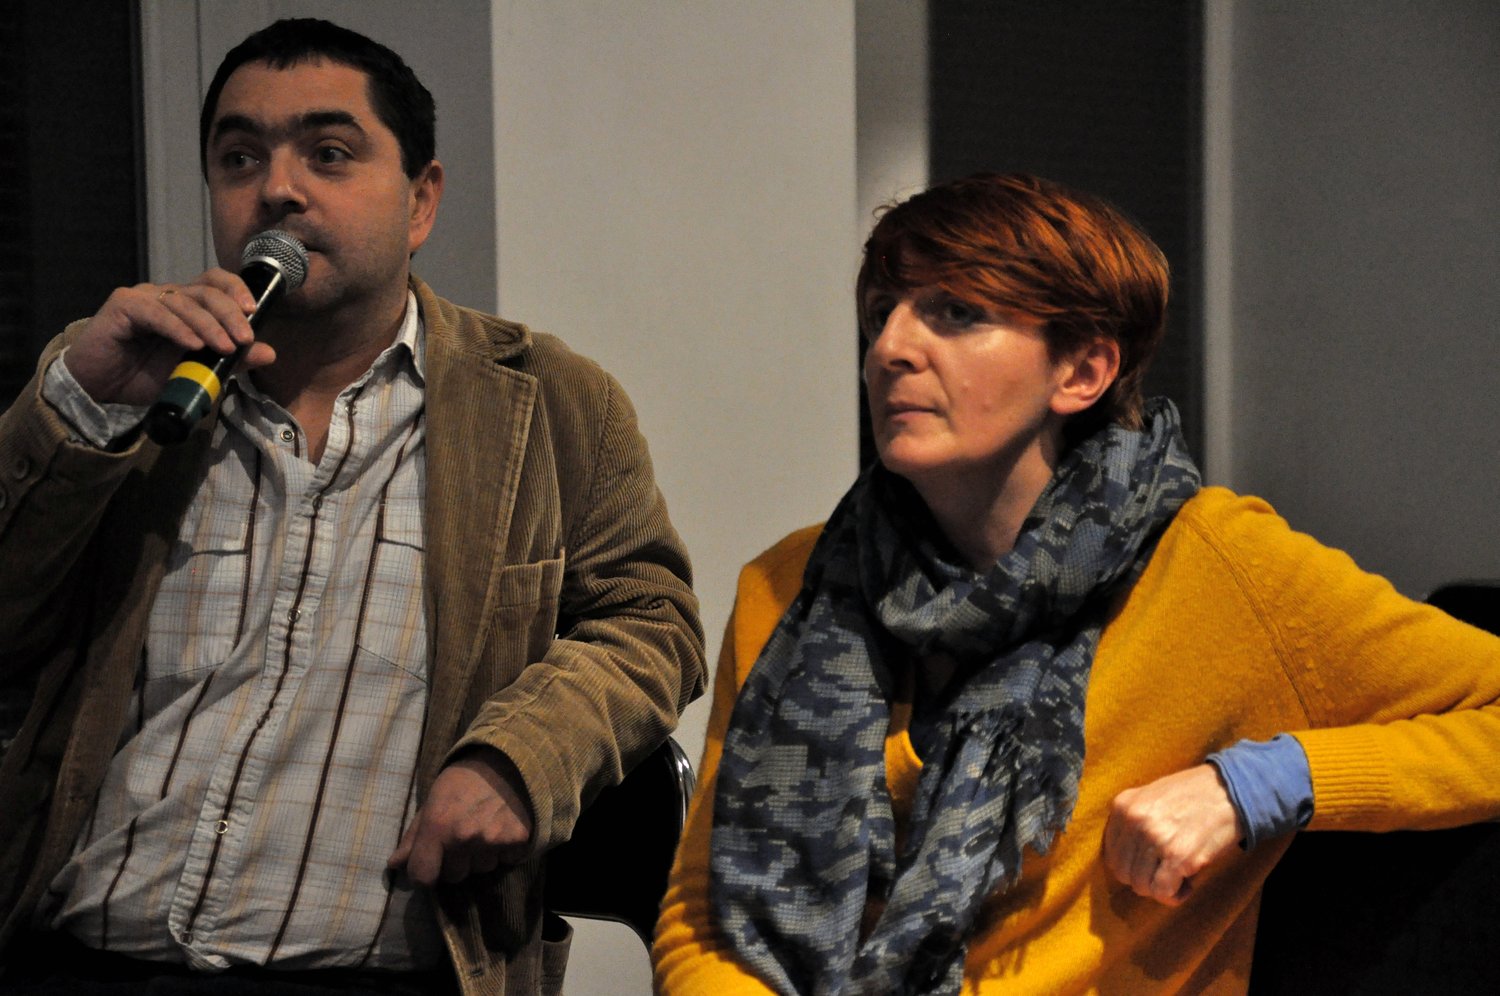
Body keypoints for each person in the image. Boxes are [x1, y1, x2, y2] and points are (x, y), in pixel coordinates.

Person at [652, 172, 1500, 994]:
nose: (889, 350)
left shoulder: (1213, 563)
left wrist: (1260, 783)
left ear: (1082, 371)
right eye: (882, 314)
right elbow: (708, 913)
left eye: (956, 313)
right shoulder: (791, 585)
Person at [0, 17, 704, 996]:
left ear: (421, 200)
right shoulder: (132, 384)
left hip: (380, 975)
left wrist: (521, 757)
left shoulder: (546, 401)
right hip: (84, 959)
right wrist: (78, 414)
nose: (277, 189)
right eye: (239, 158)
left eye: (328, 153)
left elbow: (652, 624)